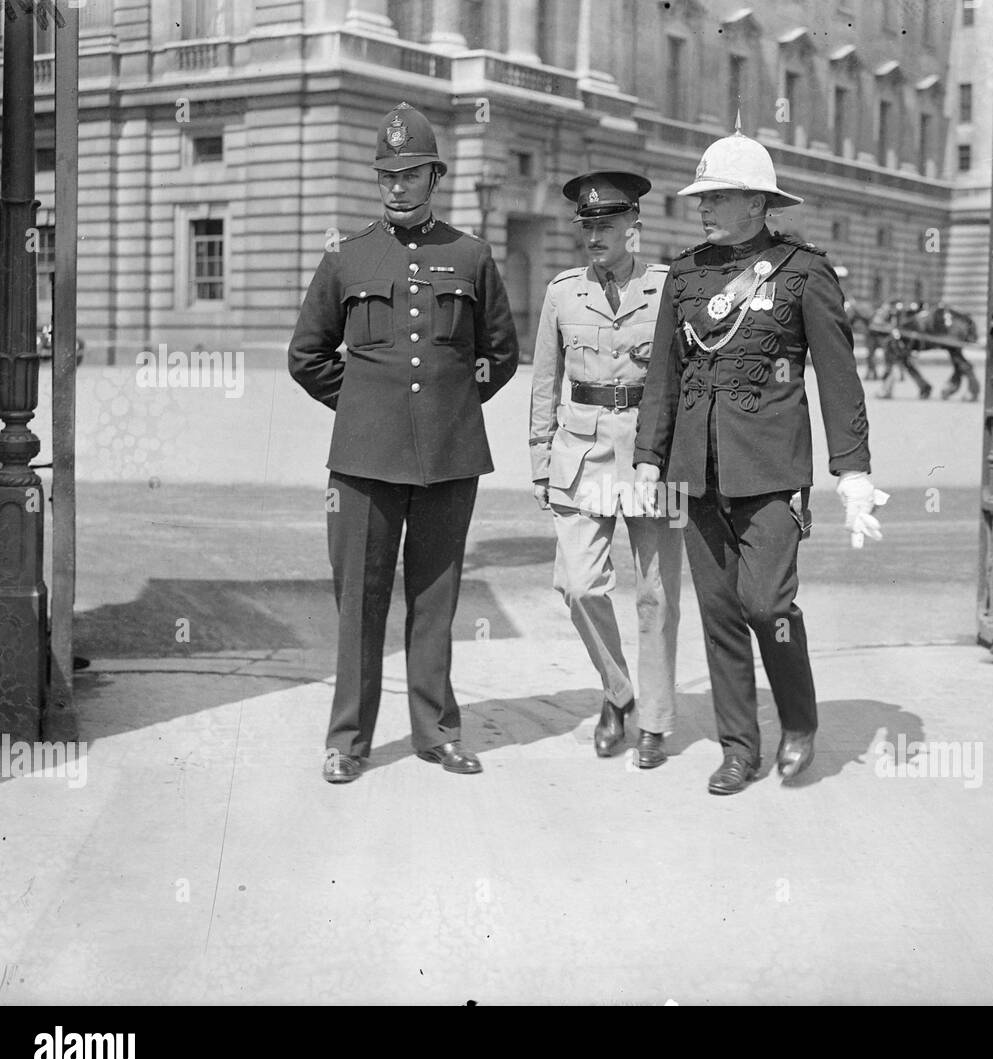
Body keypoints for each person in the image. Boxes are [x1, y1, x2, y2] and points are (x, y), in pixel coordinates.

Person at [634, 124, 883, 795]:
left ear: (756, 202)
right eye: (702, 197)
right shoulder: (685, 276)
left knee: (766, 601)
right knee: (718, 612)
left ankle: (798, 722)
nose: (703, 207)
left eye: (717, 196)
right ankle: (739, 748)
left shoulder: (803, 274)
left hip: (771, 471)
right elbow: (662, 373)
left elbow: (838, 377)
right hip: (696, 470)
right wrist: (649, 460)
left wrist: (853, 470)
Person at [288, 103, 518, 784]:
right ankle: (347, 741)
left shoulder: (471, 256)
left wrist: (447, 407)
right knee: (359, 601)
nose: (396, 186)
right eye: (386, 174)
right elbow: (307, 355)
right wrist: (363, 407)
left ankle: (437, 733)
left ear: (435, 176)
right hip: (363, 460)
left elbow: (499, 355)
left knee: (436, 598)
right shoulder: (347, 257)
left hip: (449, 458)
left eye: (411, 173)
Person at [529, 171, 683, 768]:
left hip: (654, 454)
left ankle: (656, 722)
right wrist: (541, 461)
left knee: (656, 595)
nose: (594, 235)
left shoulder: (669, 289)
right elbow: (545, 381)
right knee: (577, 584)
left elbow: (684, 384)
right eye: (586, 225)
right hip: (581, 450)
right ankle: (618, 692)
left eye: (607, 225)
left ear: (633, 229)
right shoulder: (562, 292)